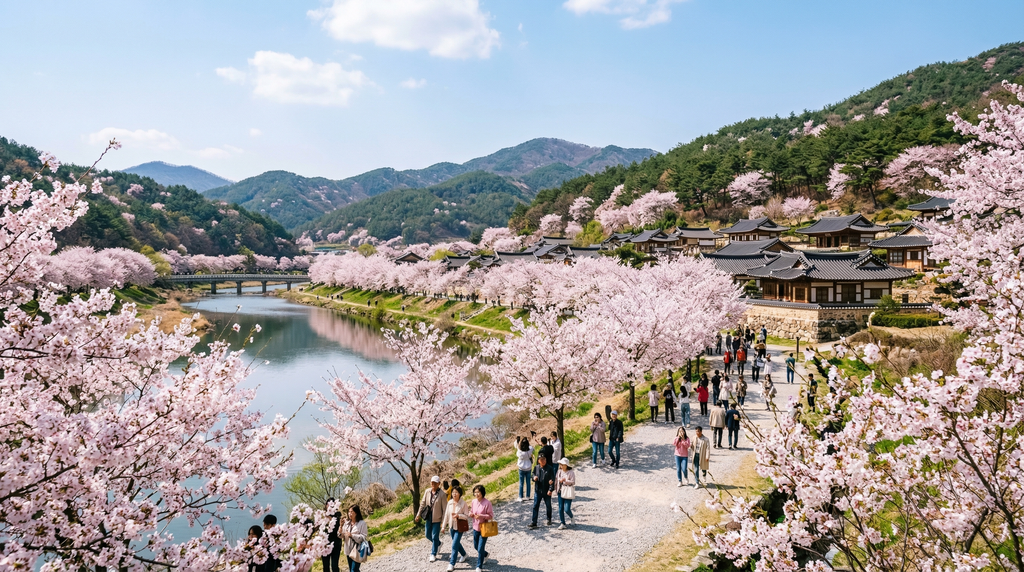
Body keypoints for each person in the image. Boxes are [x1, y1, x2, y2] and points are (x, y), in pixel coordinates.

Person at [414, 475, 445, 562]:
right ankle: (438, 543)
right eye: (432, 483)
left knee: (435, 536)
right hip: (428, 517)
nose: (433, 485)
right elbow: (422, 503)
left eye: (435, 483)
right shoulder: (427, 491)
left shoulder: (442, 494)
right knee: (427, 535)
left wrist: (443, 522)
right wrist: (418, 515)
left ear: (439, 483)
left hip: (437, 518)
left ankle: (433, 554)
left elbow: (445, 509)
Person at [441, 487, 470, 571]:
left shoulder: (463, 503)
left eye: (456, 492)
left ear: (459, 494)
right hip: (451, 527)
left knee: (454, 545)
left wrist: (458, 516)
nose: (454, 494)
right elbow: (446, 515)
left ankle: (452, 564)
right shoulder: (449, 502)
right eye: (453, 492)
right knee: (456, 543)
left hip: (459, 527)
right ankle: (464, 554)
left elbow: (466, 516)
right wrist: (443, 526)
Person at [469, 485, 493, 572]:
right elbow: (471, 511)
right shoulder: (473, 502)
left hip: (484, 528)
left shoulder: (487, 503)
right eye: (475, 492)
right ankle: (485, 554)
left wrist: (481, 516)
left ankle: (479, 566)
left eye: (478, 492)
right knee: (476, 546)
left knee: (480, 548)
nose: (476, 494)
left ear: (482, 492)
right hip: (475, 527)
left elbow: (490, 516)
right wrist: (471, 514)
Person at [529, 454, 555, 528]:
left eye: (544, 459)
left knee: (548, 505)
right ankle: (534, 522)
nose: (543, 461)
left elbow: (552, 480)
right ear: (538, 461)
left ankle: (549, 519)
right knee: (535, 506)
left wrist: (550, 489)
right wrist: (534, 478)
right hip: (538, 490)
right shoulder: (536, 468)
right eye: (541, 459)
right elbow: (532, 474)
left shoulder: (550, 468)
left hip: (546, 491)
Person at [341, 505, 368, 572]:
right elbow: (341, 536)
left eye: (351, 512)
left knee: (353, 570)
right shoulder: (347, 523)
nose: (349, 514)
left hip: (357, 550)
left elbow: (363, 537)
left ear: (356, 513)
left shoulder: (362, 523)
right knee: (352, 569)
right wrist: (340, 526)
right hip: (348, 550)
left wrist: (352, 535)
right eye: (349, 512)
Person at [555, 458, 576, 529]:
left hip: (567, 491)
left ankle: (572, 517)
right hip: (560, 491)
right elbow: (556, 480)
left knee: (567, 509)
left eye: (563, 465)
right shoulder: (559, 471)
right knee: (560, 508)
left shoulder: (571, 472)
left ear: (566, 465)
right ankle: (562, 523)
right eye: (560, 464)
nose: (561, 466)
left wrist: (565, 481)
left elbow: (573, 482)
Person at [322, 499, 342, 572]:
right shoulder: (322, 516)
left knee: (334, 566)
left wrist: (330, 518)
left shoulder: (338, 515)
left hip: (336, 544)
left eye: (331, 504)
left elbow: (338, 528)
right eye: (328, 504)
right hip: (324, 545)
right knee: (326, 567)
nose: (329, 506)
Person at [515, 437, 532, 502]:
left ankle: (520, 497)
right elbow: (531, 447)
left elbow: (517, 452)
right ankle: (528, 496)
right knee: (528, 482)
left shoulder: (519, 452)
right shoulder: (530, 450)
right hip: (528, 467)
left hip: (521, 468)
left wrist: (519, 443)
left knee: (521, 483)